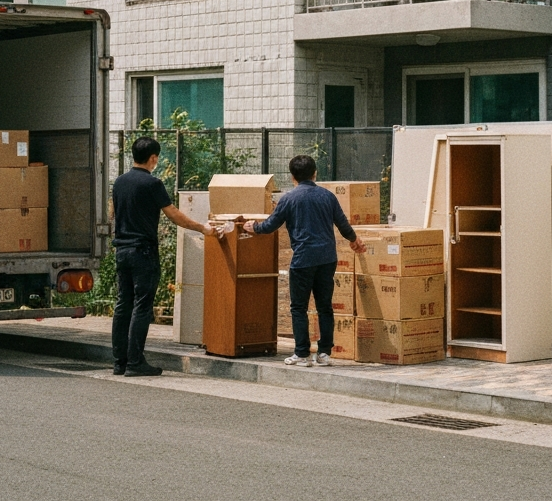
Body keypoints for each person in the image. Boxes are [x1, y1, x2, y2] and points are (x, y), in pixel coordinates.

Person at [112, 136, 224, 377]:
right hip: (143, 252)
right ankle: (135, 362)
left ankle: (120, 362)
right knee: (142, 306)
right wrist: (202, 228)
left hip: (121, 250)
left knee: (124, 304)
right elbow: (173, 214)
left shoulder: (119, 182)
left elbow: (114, 213)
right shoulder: (152, 183)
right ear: (153, 158)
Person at [244, 155, 365, 368]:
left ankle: (301, 353)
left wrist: (253, 227)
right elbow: (343, 225)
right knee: (324, 306)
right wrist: (355, 240)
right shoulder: (328, 196)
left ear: (292, 176)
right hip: (327, 258)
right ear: (315, 173)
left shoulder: (289, 199)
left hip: (303, 259)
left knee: (299, 307)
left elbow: (270, 225)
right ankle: (324, 353)